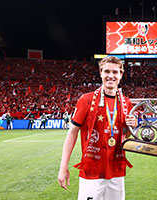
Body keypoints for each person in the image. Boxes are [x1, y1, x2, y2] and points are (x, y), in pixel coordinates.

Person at [57, 56, 137, 200]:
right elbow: (72, 133)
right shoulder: (86, 100)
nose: (110, 76)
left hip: (116, 171)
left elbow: (126, 136)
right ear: (100, 73)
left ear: (121, 75)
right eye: (107, 71)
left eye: (115, 72)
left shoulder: (126, 102)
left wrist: (131, 127)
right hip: (91, 171)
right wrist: (63, 167)